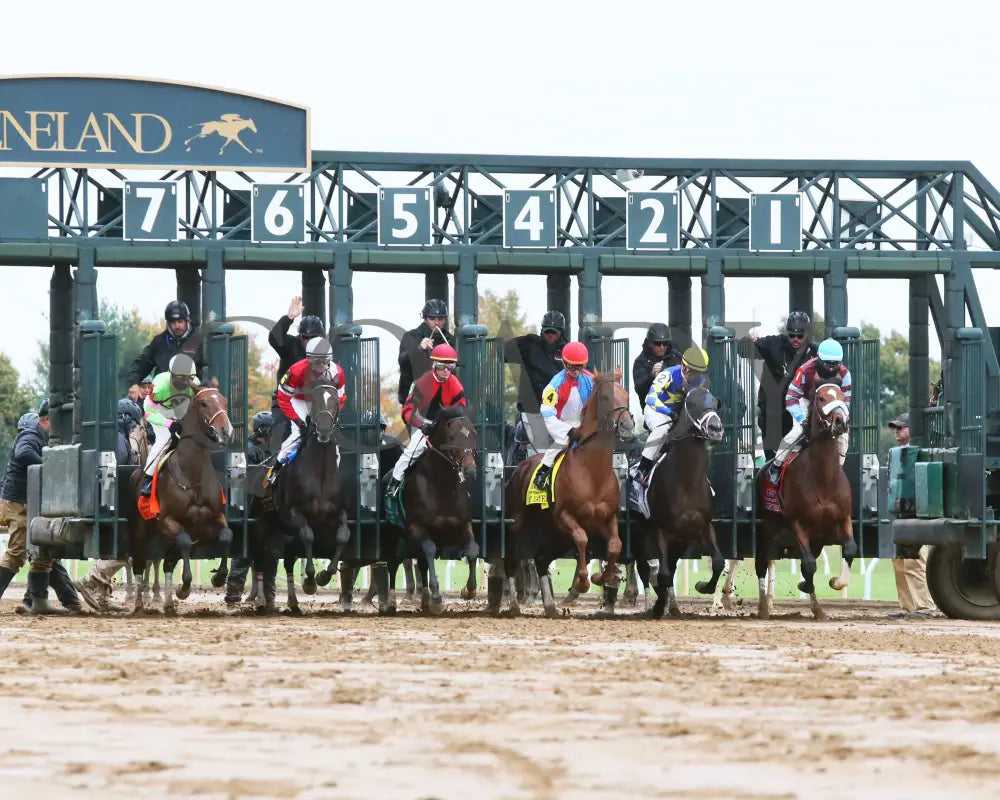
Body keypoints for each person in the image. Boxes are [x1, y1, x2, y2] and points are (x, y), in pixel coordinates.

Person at [0, 400, 80, 614]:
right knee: (17, 551)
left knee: (43, 550)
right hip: (18, 501)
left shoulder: (41, 436)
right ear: (47, 420)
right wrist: (50, 466)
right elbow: (23, 453)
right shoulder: (30, 435)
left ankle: (38, 602)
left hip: (31, 501)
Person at [387, 343, 467, 498]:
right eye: (443, 367)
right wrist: (421, 425)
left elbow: (461, 411)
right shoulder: (421, 382)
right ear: (435, 366)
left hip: (449, 425)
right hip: (425, 424)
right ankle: (393, 488)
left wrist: (463, 430)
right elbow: (407, 411)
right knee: (410, 454)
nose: (446, 371)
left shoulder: (456, 385)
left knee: (468, 446)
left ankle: (466, 490)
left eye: (450, 368)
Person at [768, 338, 852, 484]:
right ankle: (776, 466)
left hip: (834, 404)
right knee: (795, 434)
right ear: (818, 359)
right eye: (827, 363)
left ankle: (839, 469)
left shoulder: (845, 374)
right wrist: (802, 420)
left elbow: (846, 401)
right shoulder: (805, 370)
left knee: (843, 436)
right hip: (806, 402)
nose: (831, 368)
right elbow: (791, 397)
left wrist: (840, 419)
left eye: (835, 364)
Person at [739, 311, 818, 460]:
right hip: (773, 414)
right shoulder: (774, 344)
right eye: (791, 335)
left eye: (800, 336)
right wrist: (748, 340)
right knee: (773, 458)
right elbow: (742, 350)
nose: (795, 339)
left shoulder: (815, 352)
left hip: (798, 414)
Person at [631, 346, 710, 484]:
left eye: (699, 373)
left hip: (678, 415)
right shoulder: (668, 374)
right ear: (684, 366)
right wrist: (669, 413)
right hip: (657, 410)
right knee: (662, 429)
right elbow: (650, 399)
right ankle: (642, 468)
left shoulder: (700, 382)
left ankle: (701, 473)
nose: (696, 377)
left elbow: (704, 401)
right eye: (693, 372)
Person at [885, 413, 937, 618]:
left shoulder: (921, 452)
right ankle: (907, 607)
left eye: (901, 427)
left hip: (917, 512)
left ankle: (925, 607)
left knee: (914, 561)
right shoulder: (897, 453)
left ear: (912, 430)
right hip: (901, 511)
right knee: (898, 560)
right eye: (895, 428)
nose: (897, 430)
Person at [271, 338, 346, 480]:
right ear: (309, 359)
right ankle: (277, 467)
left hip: (321, 402)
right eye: (317, 362)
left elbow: (340, 399)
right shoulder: (295, 371)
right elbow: (283, 398)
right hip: (298, 401)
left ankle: (334, 474)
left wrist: (332, 417)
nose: (322, 366)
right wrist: (299, 422)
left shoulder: (337, 373)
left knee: (331, 439)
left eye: (325, 361)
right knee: (298, 435)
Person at [224, 412, 275, 606]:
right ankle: (233, 597)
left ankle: (268, 598)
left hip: (264, 511)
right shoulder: (249, 450)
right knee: (242, 554)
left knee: (269, 555)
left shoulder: (268, 449)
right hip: (247, 509)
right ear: (264, 429)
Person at [532, 341, 594, 490]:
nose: (575, 371)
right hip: (560, 423)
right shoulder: (555, 385)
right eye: (571, 366)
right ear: (565, 363)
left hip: (584, 424)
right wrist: (567, 429)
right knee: (564, 440)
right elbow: (547, 412)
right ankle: (542, 471)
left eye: (579, 367)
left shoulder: (591, 379)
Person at [504, 310, 568, 452]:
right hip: (532, 409)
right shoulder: (530, 345)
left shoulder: (567, 352)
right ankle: (519, 453)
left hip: (558, 411)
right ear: (542, 331)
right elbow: (502, 353)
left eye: (554, 332)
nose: (550, 335)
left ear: (561, 333)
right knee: (541, 450)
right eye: (547, 331)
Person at [268, 295, 325, 453]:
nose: (309, 341)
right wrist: (289, 317)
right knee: (280, 439)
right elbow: (274, 338)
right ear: (300, 336)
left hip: (312, 405)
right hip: (285, 402)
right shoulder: (291, 345)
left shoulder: (325, 353)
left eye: (313, 338)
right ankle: (273, 472)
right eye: (305, 337)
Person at [139, 354, 201, 497]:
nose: (185, 383)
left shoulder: (195, 383)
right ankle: (147, 479)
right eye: (180, 379)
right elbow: (148, 414)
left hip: (178, 409)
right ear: (171, 375)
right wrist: (168, 423)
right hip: (158, 410)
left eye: (188, 379)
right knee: (165, 438)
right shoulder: (159, 385)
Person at [126, 301, 208, 400]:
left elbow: (209, 368)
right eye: (173, 322)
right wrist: (133, 383)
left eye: (180, 321)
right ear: (168, 323)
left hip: (192, 400)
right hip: (162, 400)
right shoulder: (159, 342)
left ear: (187, 321)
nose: (177, 326)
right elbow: (141, 363)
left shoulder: (199, 341)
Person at [398, 299, 456, 405]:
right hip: (415, 400)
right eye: (432, 318)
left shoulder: (450, 340)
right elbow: (402, 361)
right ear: (425, 319)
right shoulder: (411, 336)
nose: (437, 323)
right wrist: (419, 348)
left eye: (441, 319)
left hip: (443, 399)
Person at [632, 323, 683, 408]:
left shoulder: (676, 356)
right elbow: (640, 389)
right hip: (654, 410)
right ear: (650, 343)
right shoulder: (641, 362)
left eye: (665, 343)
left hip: (678, 407)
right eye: (658, 344)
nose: (662, 347)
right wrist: (651, 376)